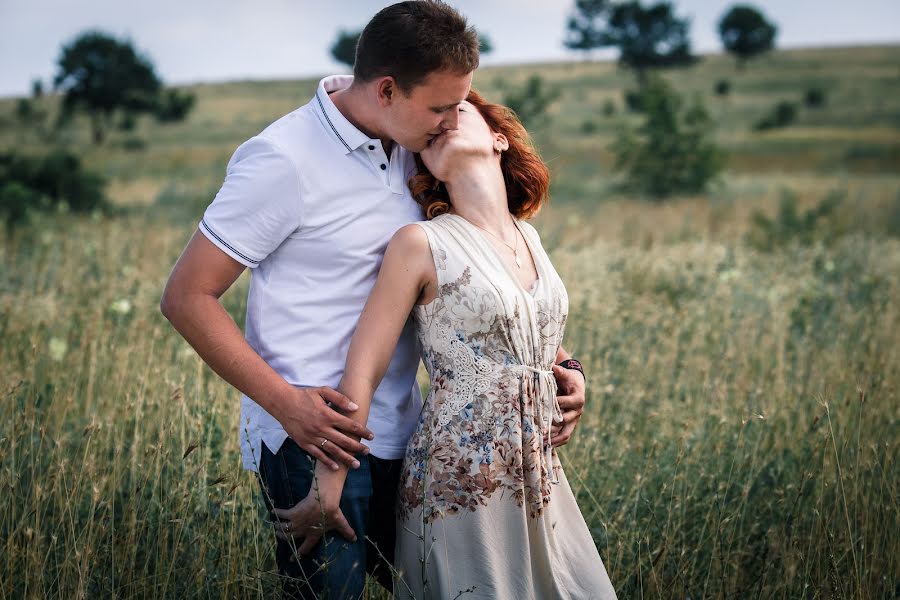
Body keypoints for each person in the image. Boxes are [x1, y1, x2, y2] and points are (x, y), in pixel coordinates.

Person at [161, 2, 588, 598]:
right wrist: (288, 406)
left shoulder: (417, 145)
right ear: (387, 89)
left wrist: (562, 362)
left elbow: (479, 281)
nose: (449, 121)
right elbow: (186, 297)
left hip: (409, 435)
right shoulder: (283, 160)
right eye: (441, 106)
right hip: (310, 437)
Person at [274, 89, 618, 599]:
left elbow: (533, 338)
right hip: (457, 478)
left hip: (536, 472)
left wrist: (575, 373)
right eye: (431, 127)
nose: (441, 124)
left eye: (456, 112)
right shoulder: (421, 242)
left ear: (499, 139)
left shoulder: (530, 238)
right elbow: (363, 370)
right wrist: (329, 489)